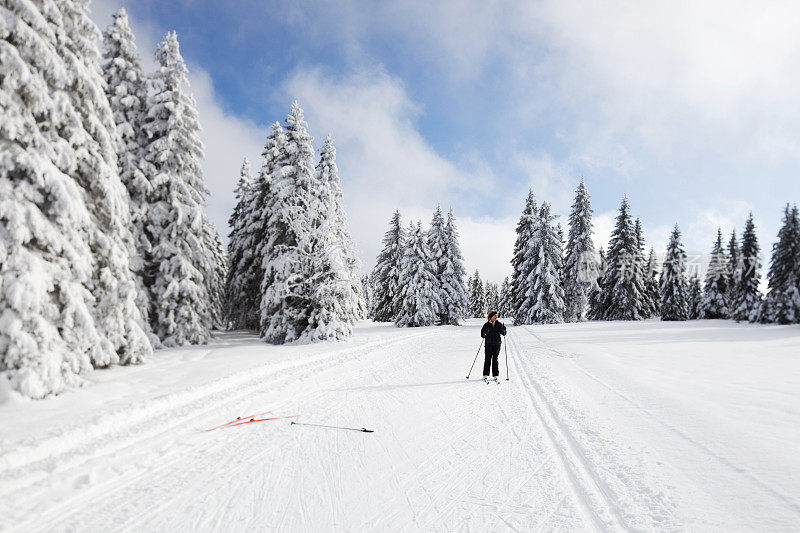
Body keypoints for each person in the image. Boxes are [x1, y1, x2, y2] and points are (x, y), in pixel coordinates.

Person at [480, 310, 506, 380]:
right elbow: (482, 335)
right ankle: (485, 374)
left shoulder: (499, 324)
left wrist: (504, 330)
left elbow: (503, 333)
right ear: (491, 317)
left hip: (497, 344)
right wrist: (485, 332)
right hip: (488, 344)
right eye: (495, 316)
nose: (496, 317)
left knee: (495, 359)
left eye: (497, 316)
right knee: (487, 359)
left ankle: (495, 375)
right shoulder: (486, 324)